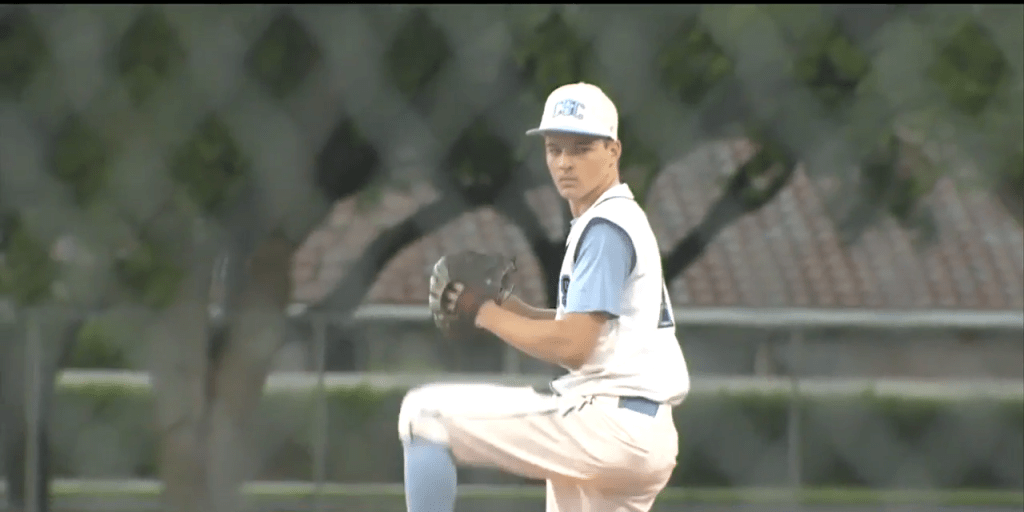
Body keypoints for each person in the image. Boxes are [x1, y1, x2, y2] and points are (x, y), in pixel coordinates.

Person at [398, 82, 691, 512]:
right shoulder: (618, 219)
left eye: (582, 148)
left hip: (606, 425)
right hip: (641, 432)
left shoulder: (605, 229)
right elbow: (592, 328)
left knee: (425, 414)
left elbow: (574, 346)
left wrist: (483, 312)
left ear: (613, 151)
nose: (565, 162)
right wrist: (513, 309)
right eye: (555, 149)